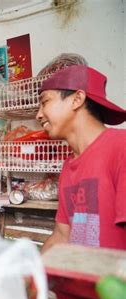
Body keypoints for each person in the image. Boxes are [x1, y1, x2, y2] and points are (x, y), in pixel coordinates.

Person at [37, 65, 126, 253]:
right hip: (81, 280)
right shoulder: (68, 167)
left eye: (44, 102)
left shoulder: (121, 147)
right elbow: (62, 236)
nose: (38, 114)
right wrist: (28, 275)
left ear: (77, 99)